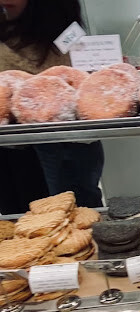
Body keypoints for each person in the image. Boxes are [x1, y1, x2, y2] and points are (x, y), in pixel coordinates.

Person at [0, 0, 104, 209]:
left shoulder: (69, 40)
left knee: (76, 210)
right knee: (19, 212)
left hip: (68, 145)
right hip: (12, 149)